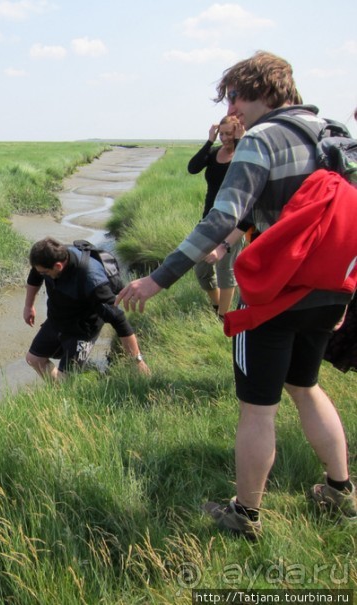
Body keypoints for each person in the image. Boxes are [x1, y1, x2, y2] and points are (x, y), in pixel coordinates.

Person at [116, 51, 356, 538]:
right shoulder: (336, 134)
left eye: (235, 98)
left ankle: (244, 515)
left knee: (257, 408)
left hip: (273, 295)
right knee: (305, 387)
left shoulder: (261, 140)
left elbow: (222, 216)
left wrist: (158, 278)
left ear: (261, 91)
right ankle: (340, 489)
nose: (232, 110)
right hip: (329, 291)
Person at [24, 237, 150, 382]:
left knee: (66, 379)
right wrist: (28, 306)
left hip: (82, 329)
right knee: (34, 359)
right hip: (57, 319)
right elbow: (35, 274)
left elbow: (119, 319)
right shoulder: (48, 260)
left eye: (45, 273)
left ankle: (67, 390)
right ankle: (58, 388)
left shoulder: (91, 279)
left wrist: (137, 361)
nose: (42, 274)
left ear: (58, 266)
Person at [187, 115, 246, 319]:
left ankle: (224, 318)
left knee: (225, 271)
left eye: (229, 134)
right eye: (222, 134)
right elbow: (192, 168)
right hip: (209, 221)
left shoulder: (243, 154)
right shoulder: (214, 153)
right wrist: (210, 140)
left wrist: (239, 141)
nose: (225, 138)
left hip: (233, 223)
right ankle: (217, 306)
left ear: (238, 132)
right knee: (202, 269)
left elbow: (242, 170)